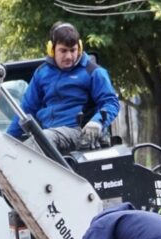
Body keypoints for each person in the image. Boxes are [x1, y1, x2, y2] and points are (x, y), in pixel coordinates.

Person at [6, 22, 120, 153]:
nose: (69, 56)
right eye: (63, 50)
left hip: (79, 133)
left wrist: (97, 122)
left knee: (43, 140)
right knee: (16, 152)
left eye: (73, 50)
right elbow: (25, 110)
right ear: (52, 49)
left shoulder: (93, 72)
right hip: (49, 135)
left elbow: (111, 103)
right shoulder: (41, 73)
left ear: (80, 48)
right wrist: (8, 141)